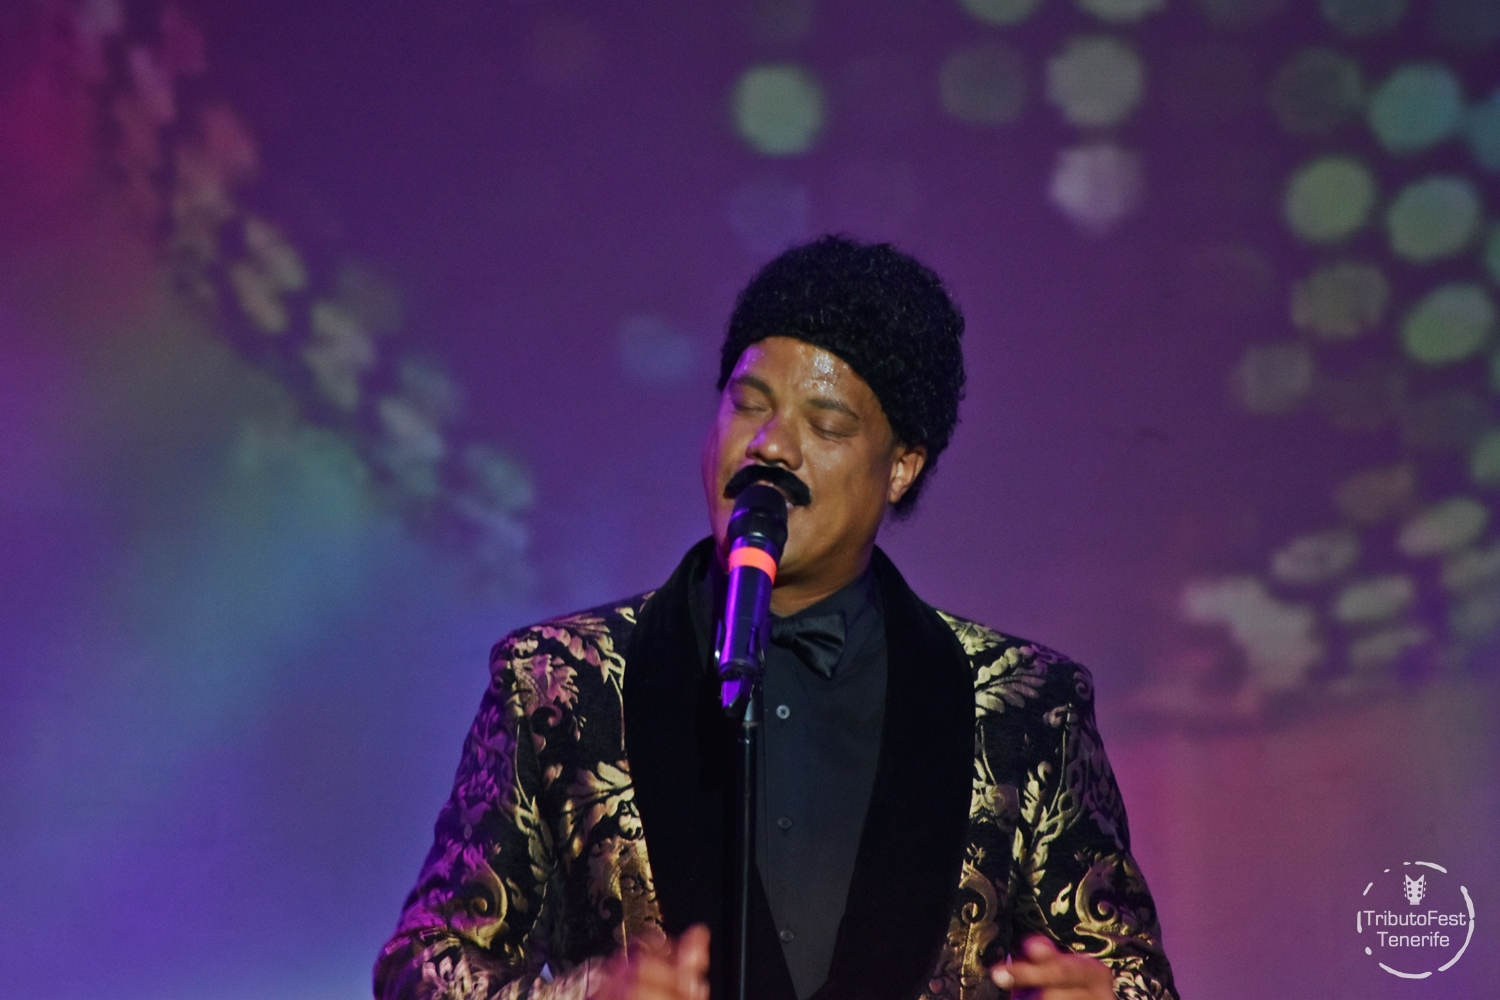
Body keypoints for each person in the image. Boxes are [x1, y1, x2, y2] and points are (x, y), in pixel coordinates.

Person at [374, 237, 1178, 1000]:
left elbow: (1130, 970)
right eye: (747, 403)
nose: (770, 446)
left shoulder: (1030, 707)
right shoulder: (555, 679)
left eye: (826, 425)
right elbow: (421, 967)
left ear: (902, 467)